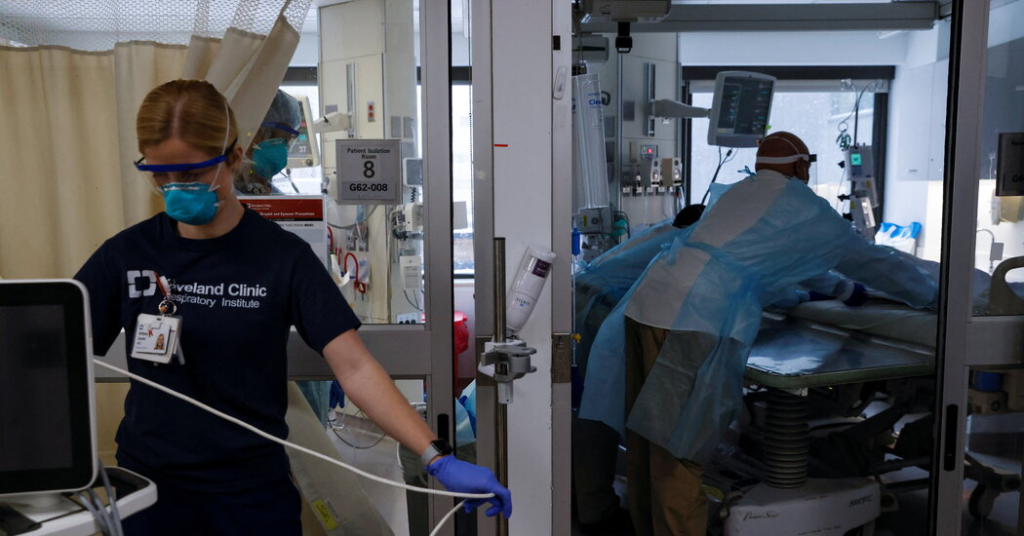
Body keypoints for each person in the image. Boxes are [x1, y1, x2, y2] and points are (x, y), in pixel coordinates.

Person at [75, 79, 510, 535]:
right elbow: (57, 352)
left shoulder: (281, 259)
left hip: (249, 495)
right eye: (159, 174)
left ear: (234, 158)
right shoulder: (126, 254)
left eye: (191, 174)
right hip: (148, 490)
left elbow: (356, 368)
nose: (173, 188)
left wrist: (436, 456)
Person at [579, 132, 938, 536]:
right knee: (678, 449)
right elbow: (877, 264)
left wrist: (838, 289)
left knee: (646, 437)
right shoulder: (807, 208)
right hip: (693, 318)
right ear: (801, 166)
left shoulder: (737, 194)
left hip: (647, 305)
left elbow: (755, 258)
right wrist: (934, 296)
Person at [572, 206, 704, 534]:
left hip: (585, 301)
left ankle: (581, 499)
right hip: (601, 311)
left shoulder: (663, 232)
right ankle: (595, 511)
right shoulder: (688, 244)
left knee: (589, 409)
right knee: (599, 413)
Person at [235, 89, 302, 194]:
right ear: (241, 133)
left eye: (285, 141)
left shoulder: (280, 201)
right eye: (269, 134)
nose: (277, 150)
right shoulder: (215, 196)